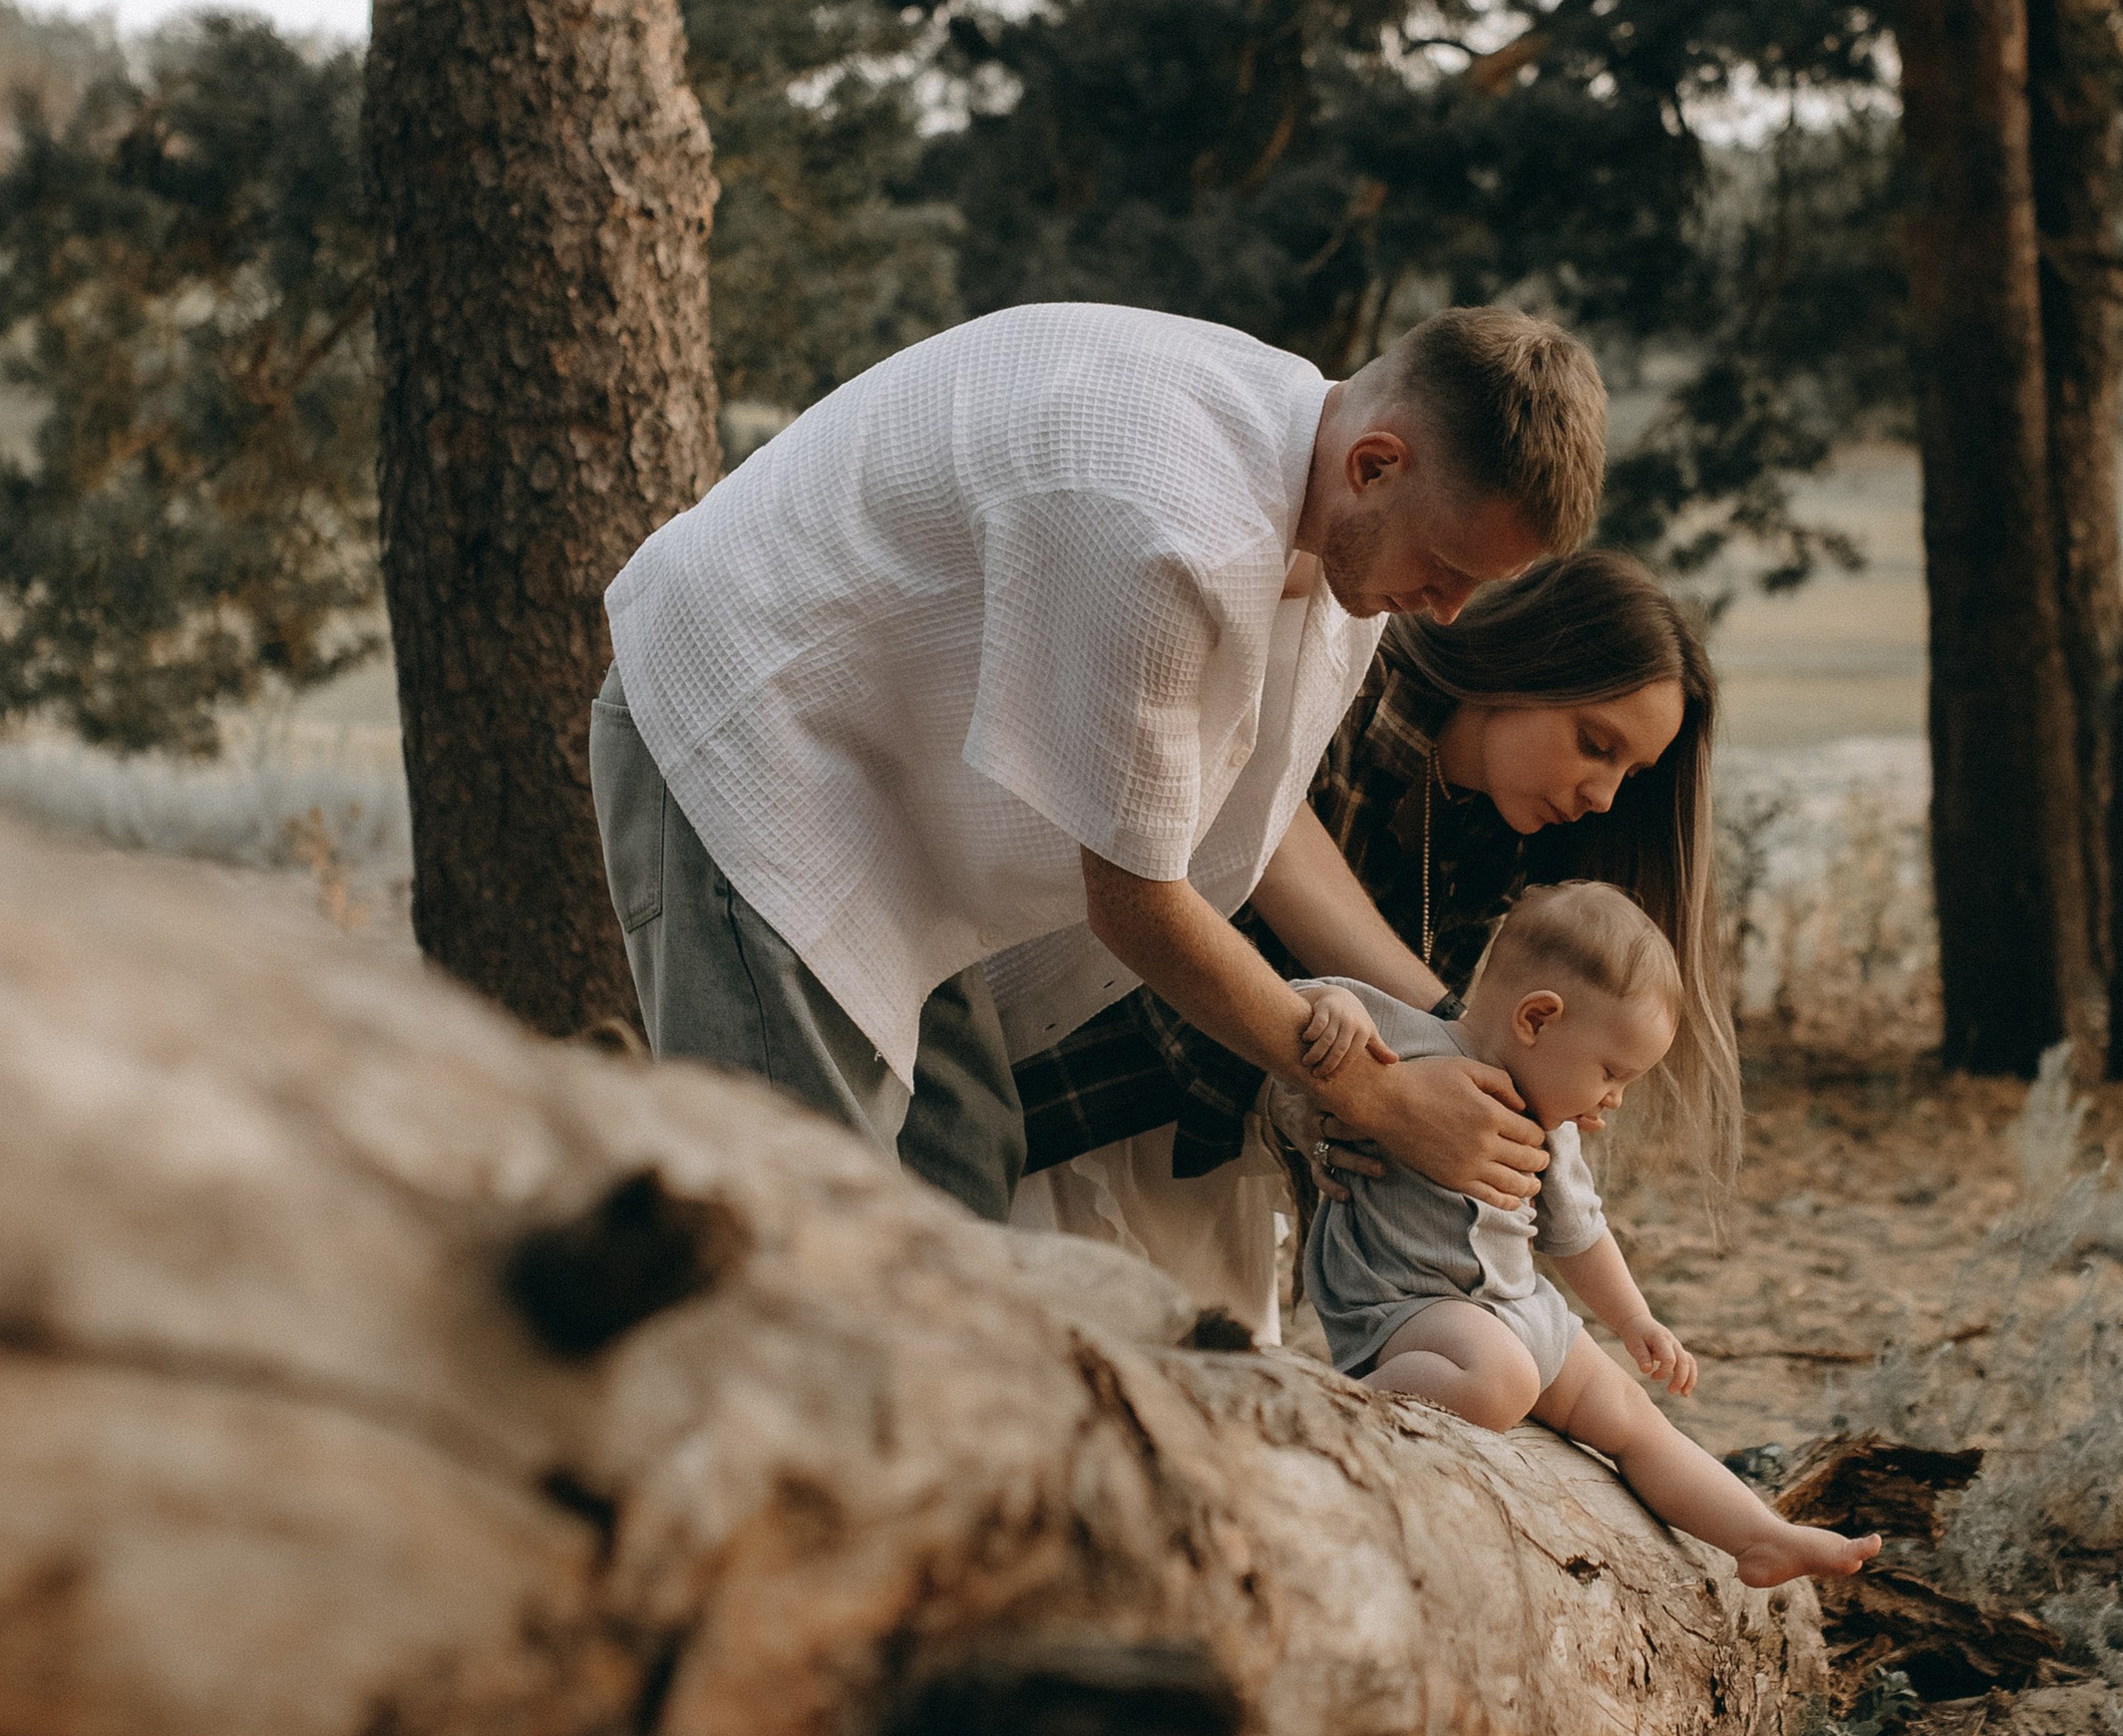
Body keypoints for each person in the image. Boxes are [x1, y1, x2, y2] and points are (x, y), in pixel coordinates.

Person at [589, 299, 1607, 1222]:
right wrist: (1377, 1094)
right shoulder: (1167, 526)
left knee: (961, 1152)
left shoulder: (1325, 501)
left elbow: (1234, 821)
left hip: (885, 786)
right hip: (750, 727)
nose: (1447, 611)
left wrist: (1425, 1032)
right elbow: (1135, 900)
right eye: (1445, 568)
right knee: (796, 1207)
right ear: (1374, 463)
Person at [1005, 548, 1739, 1329]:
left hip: (1201, 1141)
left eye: (1631, 773)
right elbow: (1256, 843)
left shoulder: (1496, 845)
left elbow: (1360, 1063)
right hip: (1067, 1075)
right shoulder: (1348, 680)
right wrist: (1445, 1044)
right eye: (1595, 743)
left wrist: (1357, 1106)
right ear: (1531, 663)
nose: (1603, 796)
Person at [1293, 882, 1877, 1589]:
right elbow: (1302, 998)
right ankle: (1326, 1418)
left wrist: (1636, 1320)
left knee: (1631, 1414)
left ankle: (1757, 1536)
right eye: (1610, 1072)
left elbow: (1580, 1237)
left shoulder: (1555, 1129)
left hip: (1518, 1307)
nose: (1616, 1098)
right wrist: (1338, 1005)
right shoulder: (1409, 1042)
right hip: (1406, 1307)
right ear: (1538, 1019)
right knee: (1499, 1378)